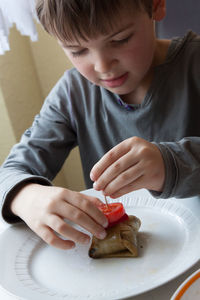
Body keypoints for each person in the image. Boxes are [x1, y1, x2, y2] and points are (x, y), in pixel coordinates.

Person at [0, 0, 200, 250]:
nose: (103, 66)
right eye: (77, 51)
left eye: (121, 40)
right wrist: (25, 196)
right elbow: (11, 171)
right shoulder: (73, 93)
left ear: (156, 6)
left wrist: (171, 164)